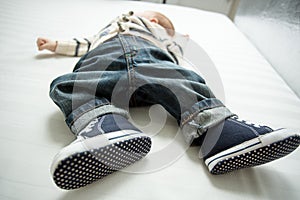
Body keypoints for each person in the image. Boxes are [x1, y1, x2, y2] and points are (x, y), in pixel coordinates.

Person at [37, 10, 300, 190]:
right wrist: (54, 44)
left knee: (183, 80)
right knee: (67, 84)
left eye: (161, 24)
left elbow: (177, 57)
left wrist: (175, 39)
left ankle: (219, 134)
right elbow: (81, 44)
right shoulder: (102, 35)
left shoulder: (159, 36)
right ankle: (107, 127)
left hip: (151, 60)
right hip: (104, 62)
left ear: (153, 21)